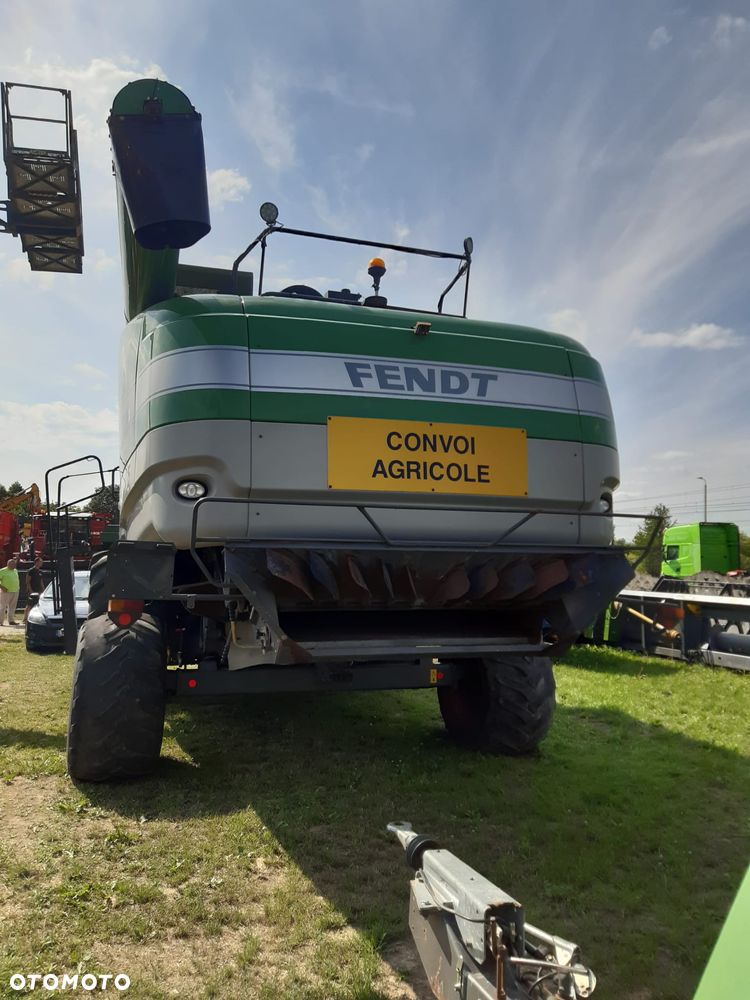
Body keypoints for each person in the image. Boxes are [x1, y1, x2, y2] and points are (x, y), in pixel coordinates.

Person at [23, 556, 45, 624]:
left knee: (38, 604)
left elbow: (41, 582)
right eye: (40, 562)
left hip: (39, 591)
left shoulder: (40, 571)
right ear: (36, 562)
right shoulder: (31, 570)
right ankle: (25, 619)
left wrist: (43, 590)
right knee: (29, 605)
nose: (41, 563)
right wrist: (30, 591)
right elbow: (27, 581)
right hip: (32, 590)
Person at [0, 556, 21, 627]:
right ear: (8, 564)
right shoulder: (2, 571)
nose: (14, 565)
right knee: (3, 607)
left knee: (12, 607)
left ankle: (11, 621)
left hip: (15, 591)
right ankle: (0, 621)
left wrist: (17, 588)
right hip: (5, 592)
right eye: (12, 564)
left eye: (14, 564)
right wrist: (2, 587)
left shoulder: (15, 570)